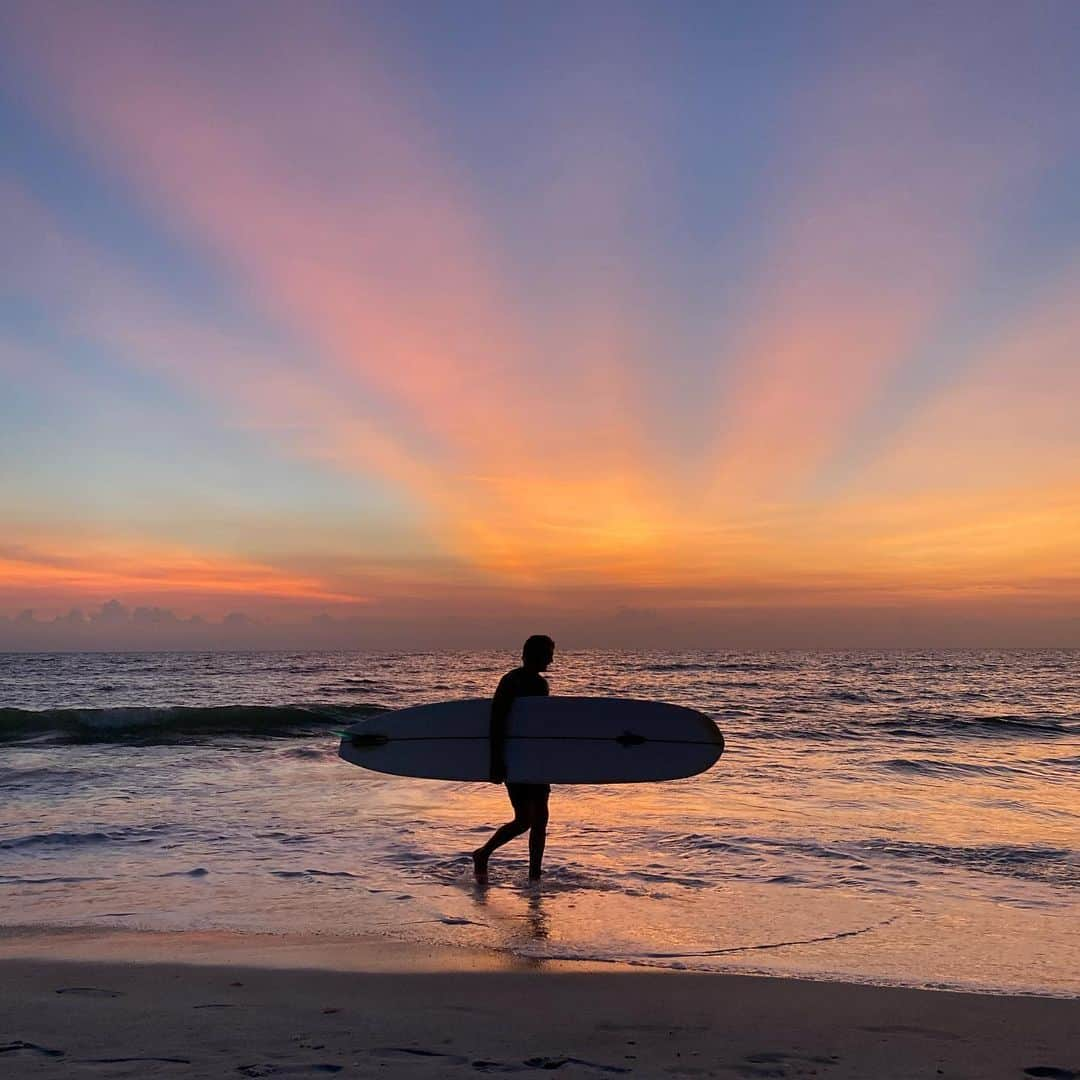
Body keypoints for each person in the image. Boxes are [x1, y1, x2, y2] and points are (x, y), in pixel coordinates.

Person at [472, 635, 555, 883]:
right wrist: (496, 760)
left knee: (540, 818)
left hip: (535, 758)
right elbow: (497, 720)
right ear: (532, 653)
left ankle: (534, 876)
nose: (551, 659)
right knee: (524, 820)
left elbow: (539, 724)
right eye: (548, 653)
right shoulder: (511, 681)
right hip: (514, 757)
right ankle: (483, 853)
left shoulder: (541, 684)